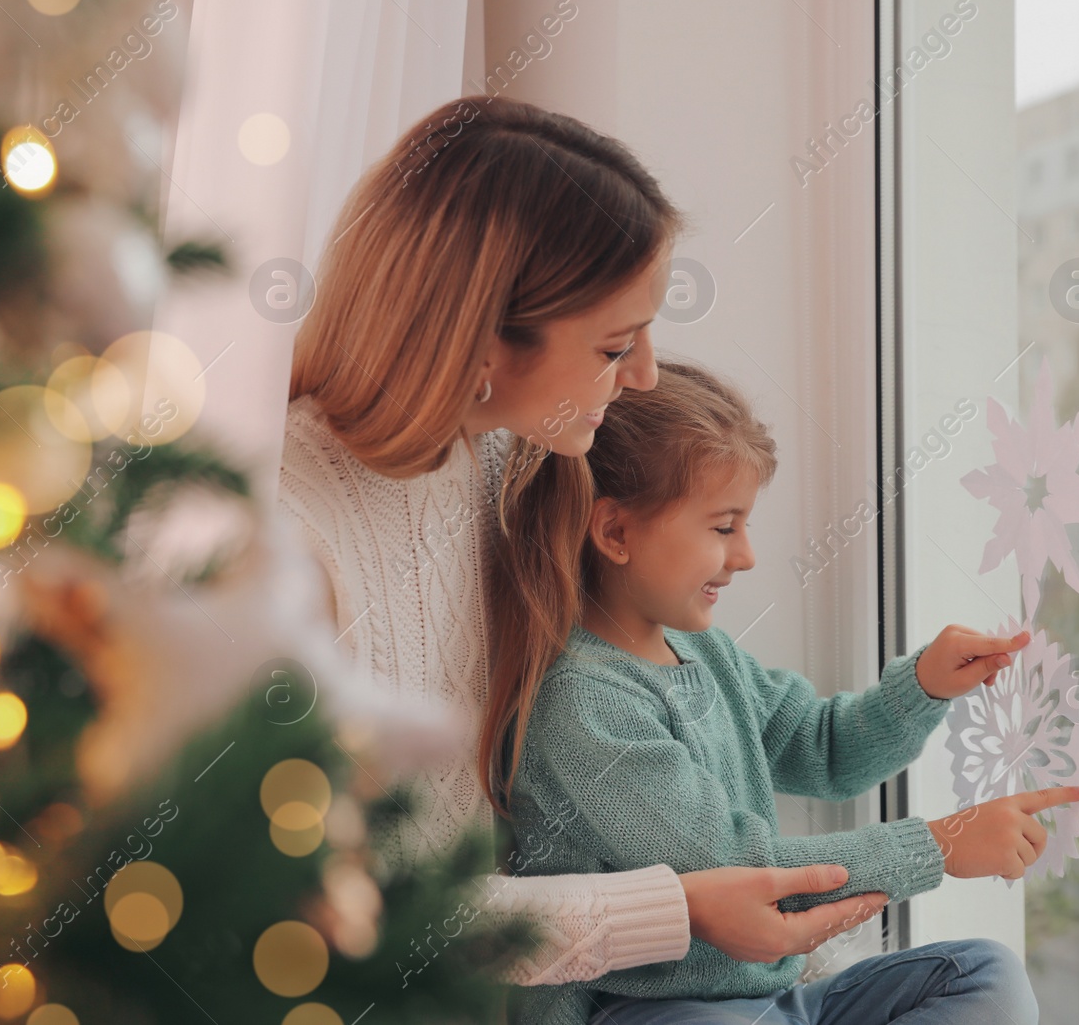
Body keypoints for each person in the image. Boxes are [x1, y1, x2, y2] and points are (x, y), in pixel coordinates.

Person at [278, 94, 890, 1002]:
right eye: (615, 345)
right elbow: (339, 915)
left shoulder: (517, 459)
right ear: (483, 337)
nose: (644, 374)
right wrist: (680, 910)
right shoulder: (290, 534)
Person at [485, 357, 1079, 1024]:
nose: (746, 555)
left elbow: (823, 748)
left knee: (987, 975)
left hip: (774, 1001)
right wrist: (939, 845)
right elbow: (745, 872)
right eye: (723, 526)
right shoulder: (584, 702)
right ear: (616, 531)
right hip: (648, 1011)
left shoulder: (702, 649)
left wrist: (921, 687)